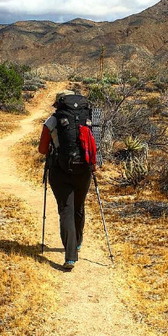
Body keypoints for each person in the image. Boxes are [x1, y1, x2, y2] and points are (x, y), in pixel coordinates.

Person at [38, 90, 95, 270]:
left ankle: (70, 256)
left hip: (59, 170)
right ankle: (78, 241)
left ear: (59, 104)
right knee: (79, 206)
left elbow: (41, 149)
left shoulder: (52, 121)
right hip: (84, 170)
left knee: (66, 209)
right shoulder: (89, 117)